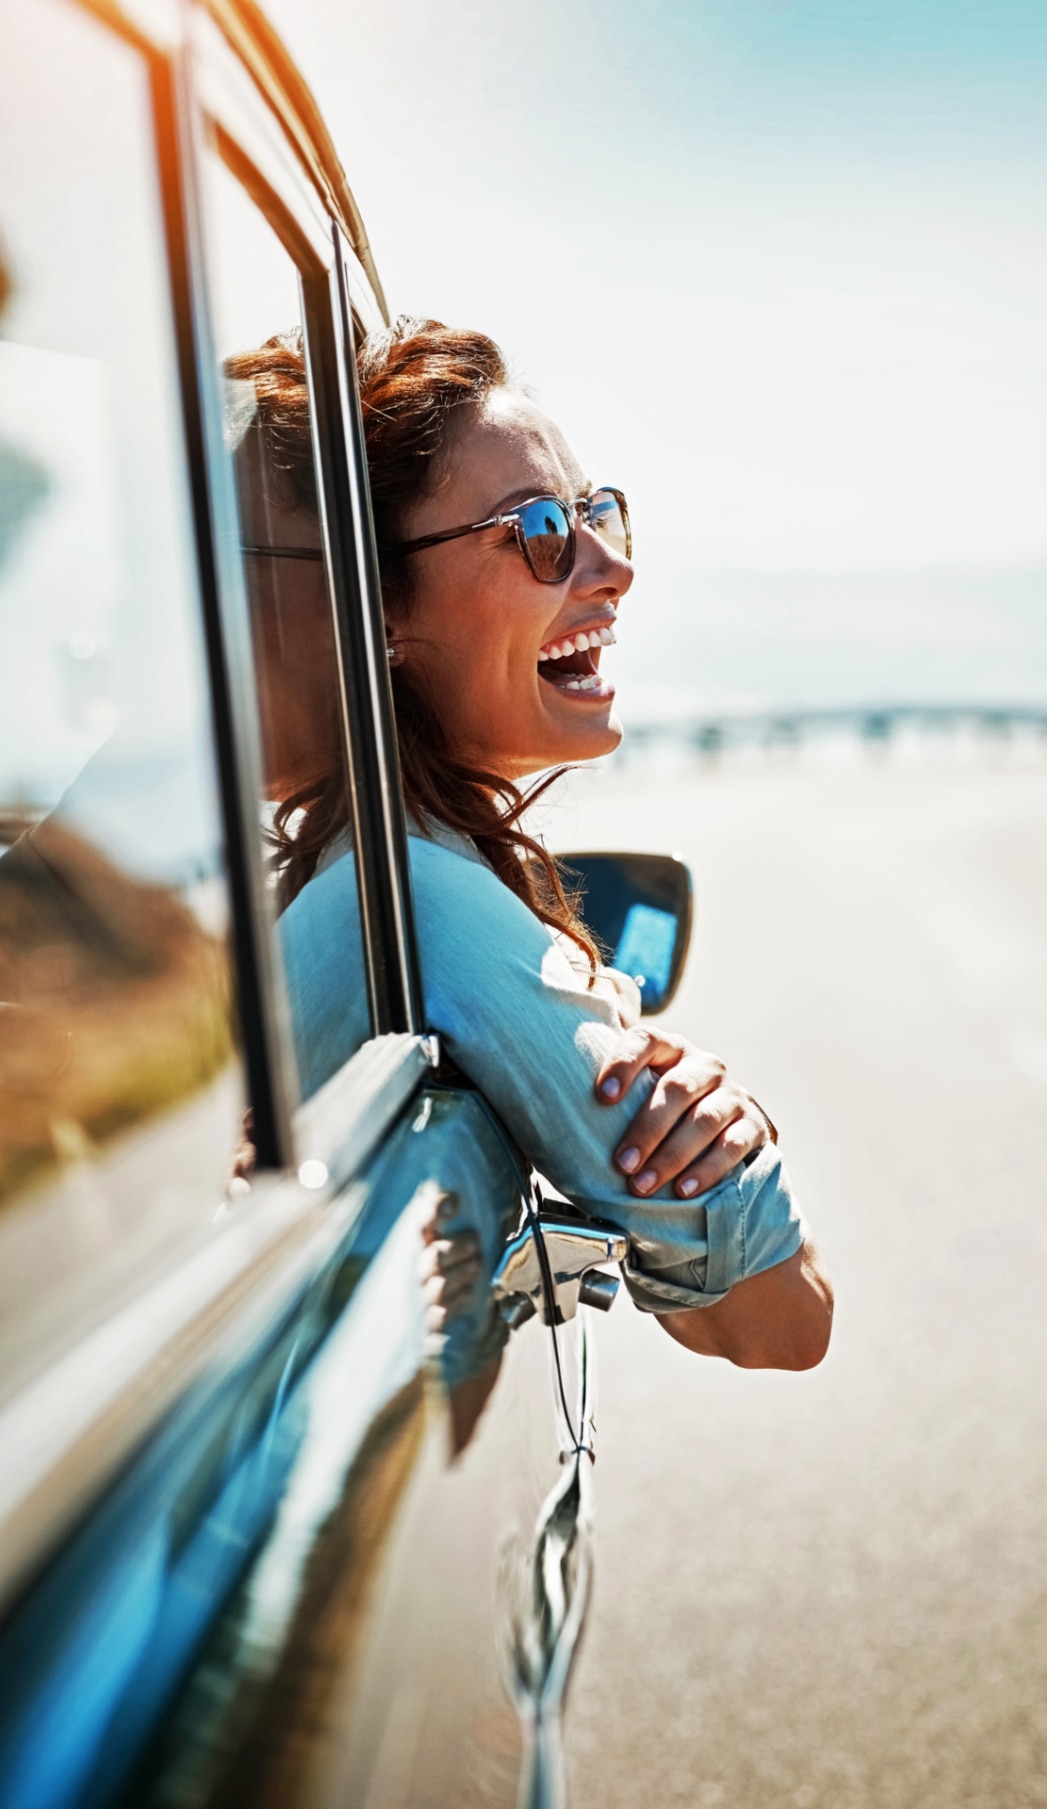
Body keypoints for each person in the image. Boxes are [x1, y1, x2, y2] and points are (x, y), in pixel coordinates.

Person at [238, 319, 832, 1371]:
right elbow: (780, 1322)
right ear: (375, 608)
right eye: (543, 531)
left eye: (602, 515)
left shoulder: (351, 871)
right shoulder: (419, 897)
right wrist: (731, 1133)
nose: (611, 569)